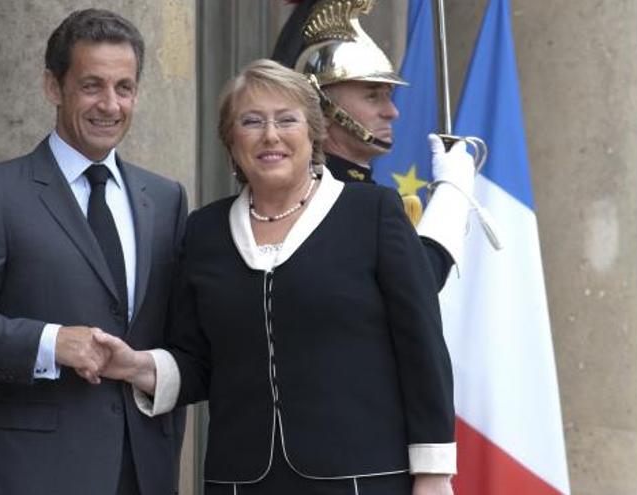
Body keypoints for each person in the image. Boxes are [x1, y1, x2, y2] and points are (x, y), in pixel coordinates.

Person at [96, 59, 455, 495]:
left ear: (314, 132)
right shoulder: (204, 231)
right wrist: (138, 366)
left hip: (363, 478)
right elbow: (197, 362)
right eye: (251, 121)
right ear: (231, 140)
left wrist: (434, 474)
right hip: (240, 482)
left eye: (287, 119)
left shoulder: (373, 213)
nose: (271, 135)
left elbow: (422, 347)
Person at [0, 9, 186, 495]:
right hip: (31, 473)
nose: (110, 104)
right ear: (53, 87)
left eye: (124, 87)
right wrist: (50, 343)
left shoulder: (165, 199)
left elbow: (179, 334)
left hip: (143, 470)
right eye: (91, 86)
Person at [279, 0, 477, 290]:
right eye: (373, 97)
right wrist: (452, 194)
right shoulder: (332, 196)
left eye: (388, 95)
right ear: (321, 108)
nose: (392, 111)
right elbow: (419, 281)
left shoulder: (357, 191)